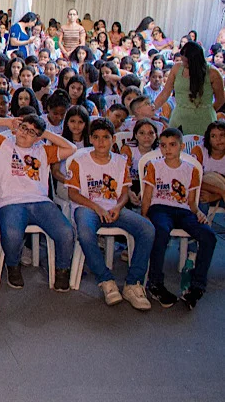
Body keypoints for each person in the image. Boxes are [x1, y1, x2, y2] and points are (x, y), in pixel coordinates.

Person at [0, 114, 77, 291]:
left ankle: (62, 270)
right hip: (9, 202)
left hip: (40, 201)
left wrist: (45, 134)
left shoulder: (43, 151)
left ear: (37, 138)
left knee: (66, 232)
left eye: (31, 132)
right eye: (23, 128)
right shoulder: (2, 144)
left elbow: (72, 148)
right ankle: (13, 265)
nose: (25, 133)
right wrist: (8, 122)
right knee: (12, 233)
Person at [66, 118, 153, 310]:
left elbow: (124, 193)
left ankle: (133, 283)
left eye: (105, 137)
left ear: (113, 139)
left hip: (113, 208)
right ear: (90, 139)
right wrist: (97, 208)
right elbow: (72, 193)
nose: (101, 142)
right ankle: (106, 280)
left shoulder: (121, 161)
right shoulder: (80, 161)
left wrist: (118, 207)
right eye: (96, 137)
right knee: (86, 232)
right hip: (88, 208)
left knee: (147, 229)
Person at [142, 128, 217, 310]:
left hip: (184, 211)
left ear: (181, 146)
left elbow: (191, 202)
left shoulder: (191, 169)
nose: (167, 149)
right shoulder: (154, 165)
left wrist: (198, 213)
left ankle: (197, 286)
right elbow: (147, 195)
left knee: (208, 236)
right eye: (163, 145)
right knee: (161, 231)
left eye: (172, 145)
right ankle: (155, 283)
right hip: (160, 208)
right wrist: (144, 217)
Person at [154, 41, 225, 135]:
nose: (184, 64)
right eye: (183, 61)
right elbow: (165, 93)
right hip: (179, 117)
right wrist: (153, 108)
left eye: (186, 62)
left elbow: (220, 99)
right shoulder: (177, 68)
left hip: (204, 120)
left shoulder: (213, 73)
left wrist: (207, 110)